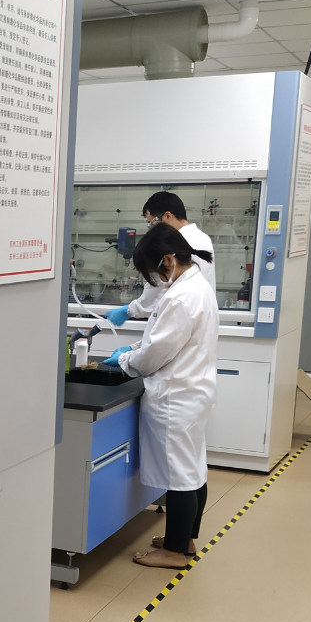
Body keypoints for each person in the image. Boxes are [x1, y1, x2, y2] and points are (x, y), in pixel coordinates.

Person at [102, 224, 219, 569]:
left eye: (150, 273)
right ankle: (185, 539)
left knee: (180, 476)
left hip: (176, 397)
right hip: (193, 391)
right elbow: (162, 340)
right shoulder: (197, 286)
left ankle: (173, 552)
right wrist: (136, 349)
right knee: (193, 469)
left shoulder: (181, 297)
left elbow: (155, 355)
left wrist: (126, 359)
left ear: (168, 260)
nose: (152, 281)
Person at [105, 191, 215, 327]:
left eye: (152, 223)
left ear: (168, 216)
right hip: (197, 319)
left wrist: (129, 310)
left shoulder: (175, 244)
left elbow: (158, 289)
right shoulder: (203, 238)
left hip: (177, 320)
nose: (152, 229)